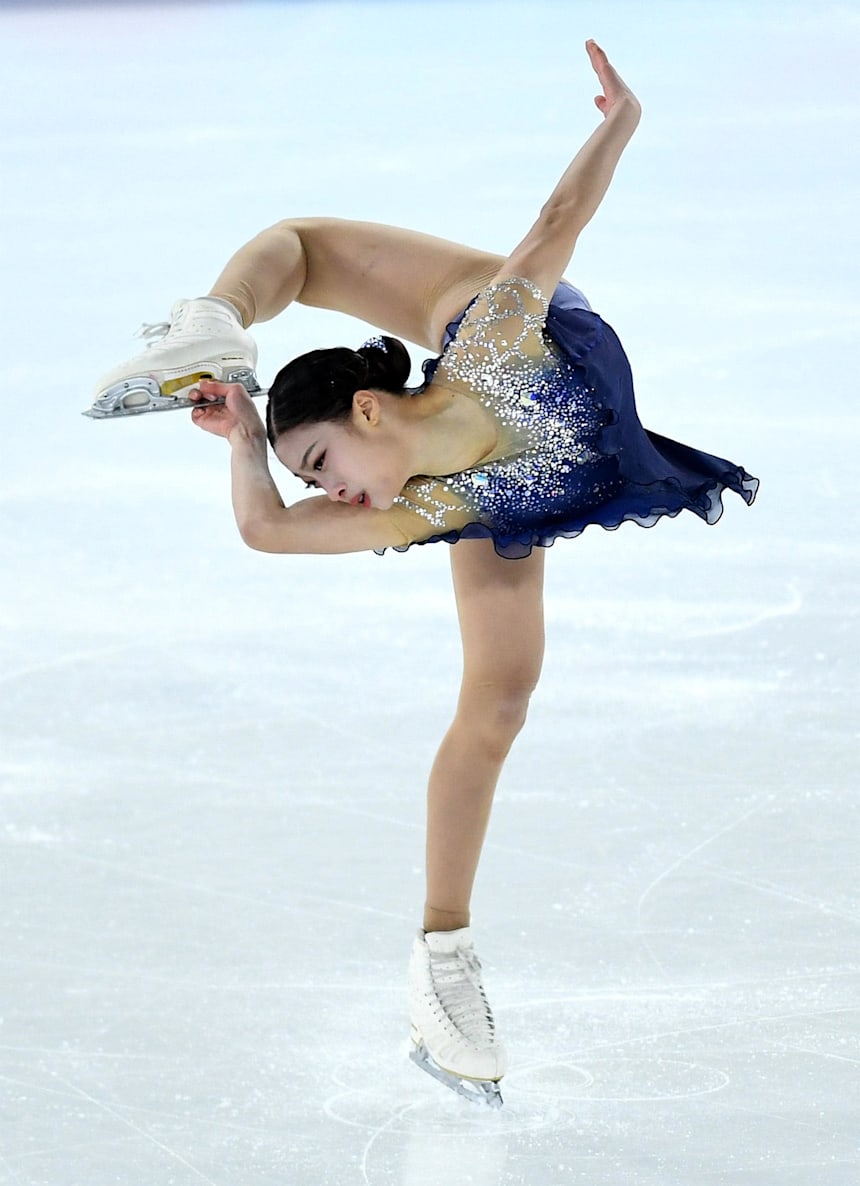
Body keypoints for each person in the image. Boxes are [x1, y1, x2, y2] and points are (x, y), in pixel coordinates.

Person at [90, 41, 757, 1106]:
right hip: (518, 488)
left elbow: (555, 220)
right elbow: (267, 534)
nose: (329, 494)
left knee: (302, 245)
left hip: (537, 362)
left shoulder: (492, 333)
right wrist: (244, 438)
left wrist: (619, 120)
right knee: (496, 707)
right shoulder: (429, 505)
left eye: (321, 468)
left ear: (364, 410)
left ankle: (214, 323)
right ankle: (441, 965)